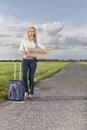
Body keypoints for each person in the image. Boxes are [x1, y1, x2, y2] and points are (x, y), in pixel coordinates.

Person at [19, 26, 58, 99]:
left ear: (34, 32)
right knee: (24, 76)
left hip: (33, 61)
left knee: (31, 77)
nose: (31, 32)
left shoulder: (36, 41)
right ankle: (26, 91)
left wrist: (53, 47)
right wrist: (25, 55)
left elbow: (44, 49)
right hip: (25, 60)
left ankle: (31, 92)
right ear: (28, 32)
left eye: (32, 31)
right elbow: (20, 50)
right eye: (30, 31)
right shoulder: (24, 40)